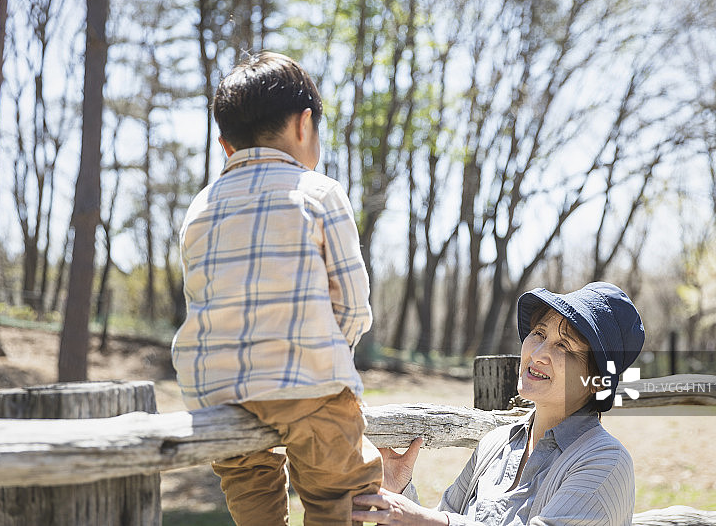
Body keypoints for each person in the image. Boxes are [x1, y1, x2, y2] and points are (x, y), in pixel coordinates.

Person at [171, 51, 382, 526]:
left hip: (215, 390)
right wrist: (329, 354)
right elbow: (353, 305)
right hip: (308, 379)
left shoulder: (200, 208)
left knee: (249, 487)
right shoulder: (319, 193)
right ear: (304, 124)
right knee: (341, 492)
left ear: (225, 144)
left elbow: (200, 299)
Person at [353, 281, 645, 525]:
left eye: (564, 346)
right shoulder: (495, 444)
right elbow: (444, 517)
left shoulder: (606, 463)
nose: (538, 354)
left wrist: (431, 521)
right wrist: (400, 490)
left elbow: (439, 523)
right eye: (539, 333)